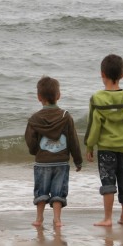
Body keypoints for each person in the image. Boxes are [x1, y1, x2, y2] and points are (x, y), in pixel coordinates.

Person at [84, 54, 123, 227]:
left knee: (108, 182)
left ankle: (107, 218)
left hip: (106, 149)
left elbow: (93, 126)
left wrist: (89, 146)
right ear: (122, 75)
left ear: (102, 74)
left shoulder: (97, 99)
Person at [25, 76, 83, 227]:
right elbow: (73, 140)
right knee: (58, 191)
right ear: (58, 96)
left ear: (39, 97)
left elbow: (30, 140)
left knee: (41, 191)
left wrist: (34, 151)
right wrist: (78, 160)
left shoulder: (35, 119)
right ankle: (57, 219)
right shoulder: (66, 117)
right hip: (61, 162)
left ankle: (39, 219)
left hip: (42, 162)